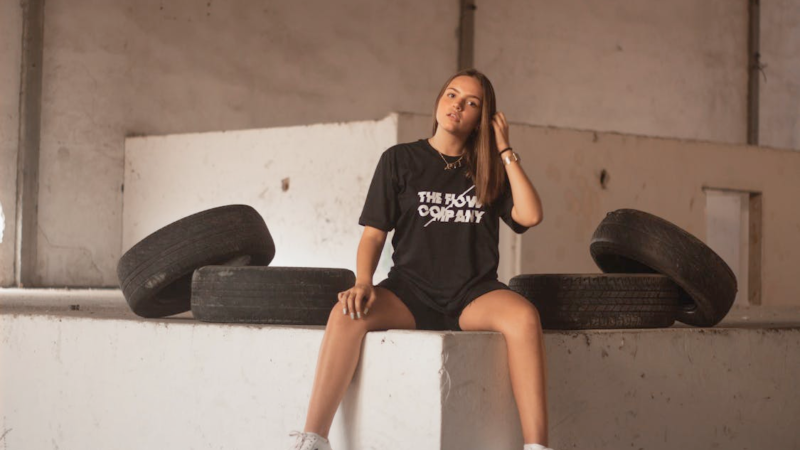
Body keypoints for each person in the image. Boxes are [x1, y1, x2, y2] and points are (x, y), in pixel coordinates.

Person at [288, 68, 550, 450]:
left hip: (473, 294)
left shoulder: (489, 170)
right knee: (346, 314)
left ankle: (537, 446)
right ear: (439, 100)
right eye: (452, 94)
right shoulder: (400, 160)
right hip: (409, 293)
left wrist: (504, 150)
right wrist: (363, 281)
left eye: (471, 103)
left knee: (525, 317)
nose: (457, 105)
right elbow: (374, 234)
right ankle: (313, 439)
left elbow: (531, 215)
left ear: (482, 118)